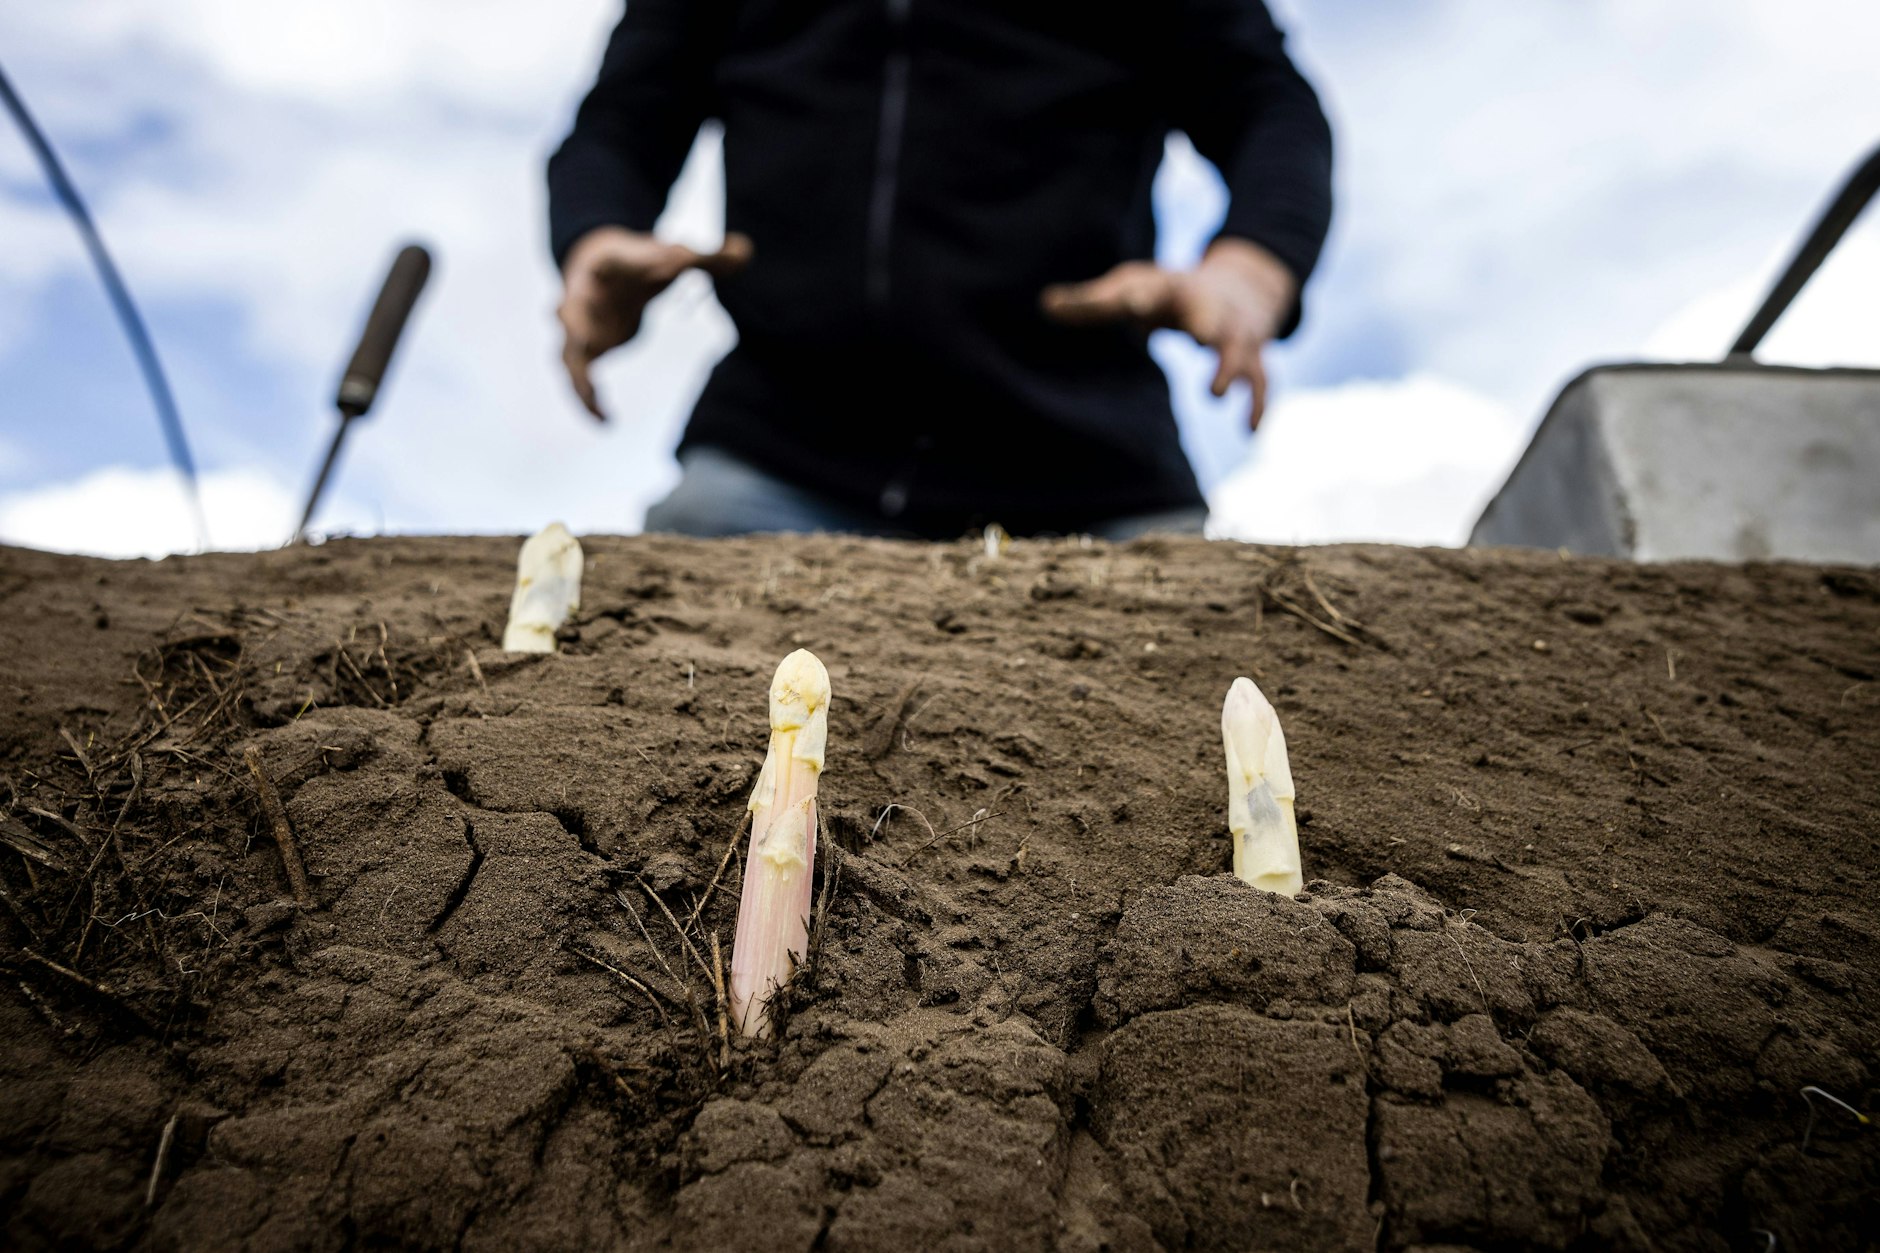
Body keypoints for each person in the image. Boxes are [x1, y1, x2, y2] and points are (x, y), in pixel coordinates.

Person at [549, 1, 1332, 540]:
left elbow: (1269, 104)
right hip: (777, 455)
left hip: (1092, 478)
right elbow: (622, 120)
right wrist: (595, 238)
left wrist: (1250, 270)